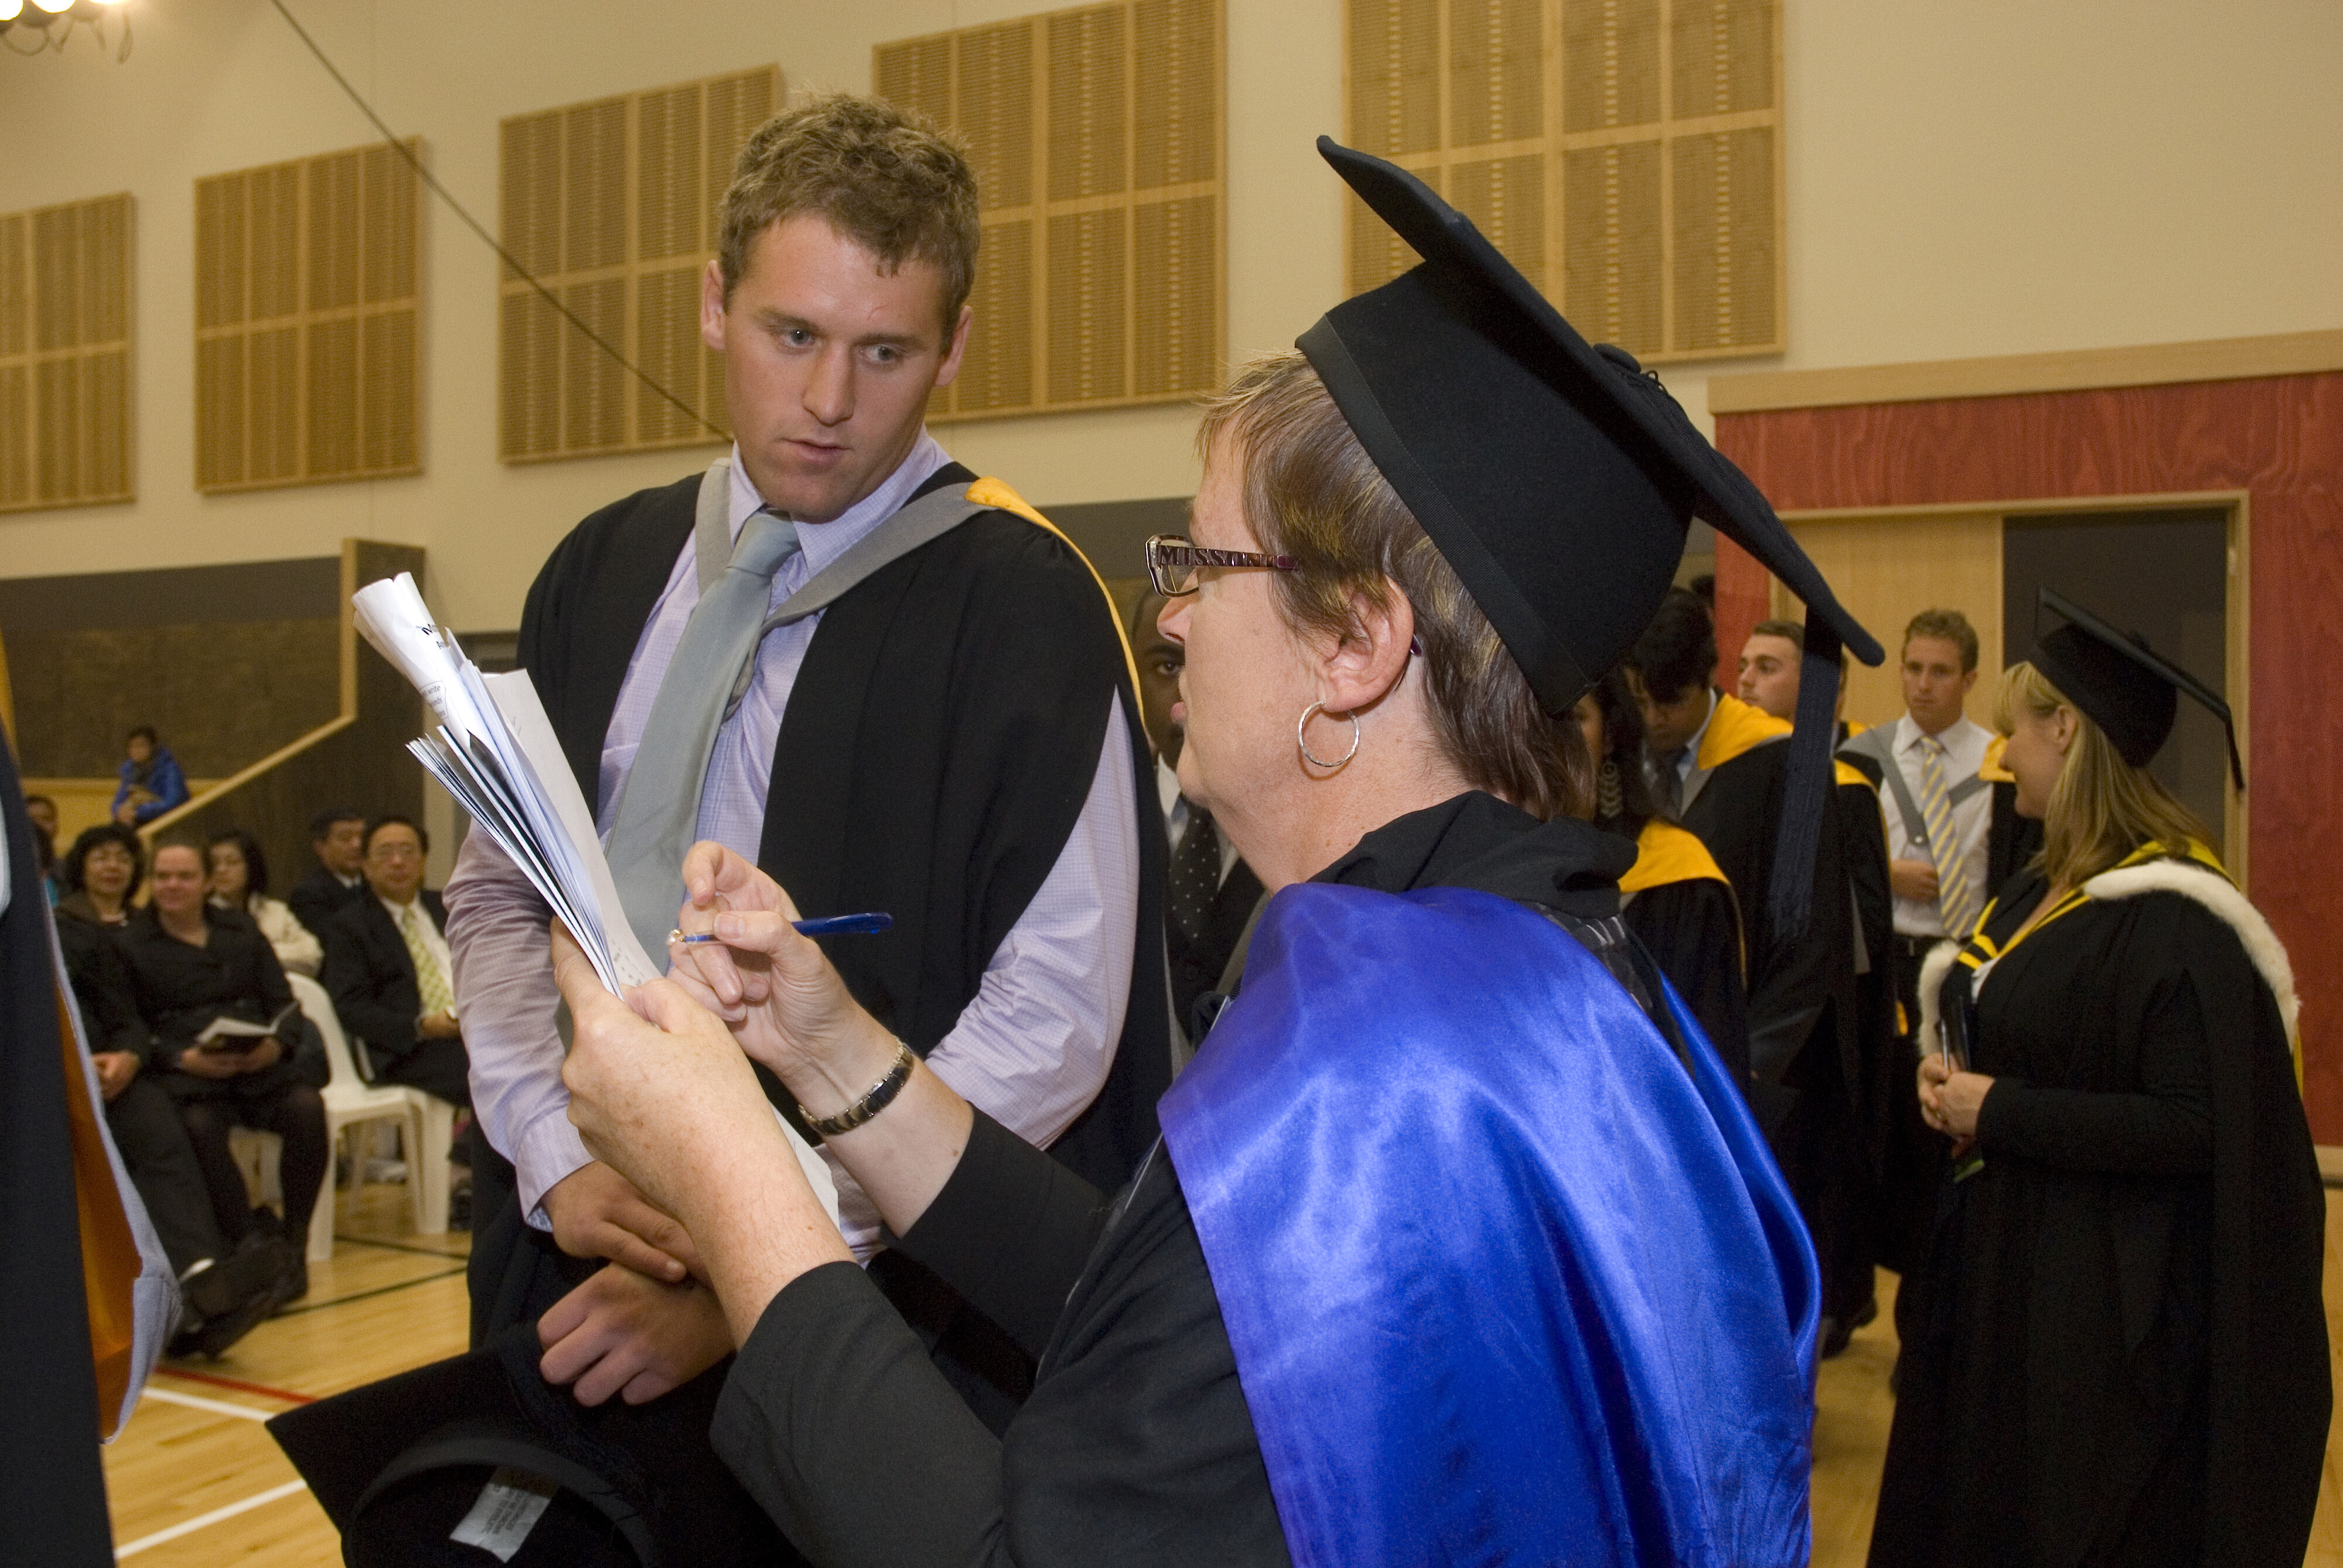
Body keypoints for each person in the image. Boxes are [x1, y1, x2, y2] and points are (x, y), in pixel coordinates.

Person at [544, 137, 1884, 1564]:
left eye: (1200, 563)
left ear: (1357, 644)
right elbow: (1171, 1325)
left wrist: (732, 1171)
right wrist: (835, 1056)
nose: (1168, 616)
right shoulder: (1487, 963)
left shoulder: (1384, 1064)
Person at [442, 93, 1169, 1434]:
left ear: (955, 348)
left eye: (885, 351)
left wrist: (760, 1254)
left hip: (869, 1315)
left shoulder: (1022, 604)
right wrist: (547, 1148)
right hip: (574, 1253)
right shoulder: (595, 573)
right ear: (713, 302)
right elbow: (499, 901)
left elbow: (1056, 1017)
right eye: (792, 336)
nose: (830, 402)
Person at [1871, 589, 2327, 1568]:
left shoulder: (2176, 921)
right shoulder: (2047, 877)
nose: (1998, 756)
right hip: (2017, 1262)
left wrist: (2003, 1107)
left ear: (2066, 730)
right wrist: (1952, 1083)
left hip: (2099, 1302)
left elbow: (2194, 1126)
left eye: (2012, 733)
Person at [1626, 590, 1880, 1351]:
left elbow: (1808, 955)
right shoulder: (1616, 762)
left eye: (1666, 700)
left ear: (1705, 677)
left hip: (1747, 1083)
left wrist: (1734, 1078)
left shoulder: (1789, 766)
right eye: (1638, 701)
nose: (1654, 719)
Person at [51, 826, 287, 1355]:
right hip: (52, 1082)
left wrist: (129, 1056)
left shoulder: (72, 937)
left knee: (162, 1127)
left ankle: (200, 1279)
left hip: (113, 1076)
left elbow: (125, 1018)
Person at [117, 839, 325, 1307]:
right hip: (189, 1075)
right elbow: (131, 1024)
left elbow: (285, 1001)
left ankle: (294, 1241)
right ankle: (249, 1241)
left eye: (185, 876)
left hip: (255, 1068)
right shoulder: (131, 943)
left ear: (207, 881)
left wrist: (275, 1044)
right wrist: (182, 1057)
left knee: (307, 1107)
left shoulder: (241, 929)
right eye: (163, 876)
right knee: (199, 1126)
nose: (172, 886)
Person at [1572, 666, 1747, 1068]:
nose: (1549, 742)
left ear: (1611, 736)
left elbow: (1709, 1065)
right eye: (1532, 720)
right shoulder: (1481, 870)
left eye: (1573, 718)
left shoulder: (1676, 881)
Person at [1132, 583, 1266, 1041]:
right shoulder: (1093, 830)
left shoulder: (1296, 829)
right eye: (1166, 665)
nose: (1185, 689)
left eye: (1210, 661)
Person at [320, 817, 470, 1108]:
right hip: (410, 1049)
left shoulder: (450, 907)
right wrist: (423, 1026)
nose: (398, 862)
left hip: (474, 1030)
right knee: (486, 1071)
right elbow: (352, 1007)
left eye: (408, 851)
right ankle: (466, 1152)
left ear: (424, 860)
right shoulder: (350, 926)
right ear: (365, 865)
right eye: (385, 853)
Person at [207, 829, 324, 978]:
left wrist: (260, 954)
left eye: (232, 862)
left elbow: (312, 954)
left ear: (251, 865)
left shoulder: (275, 910)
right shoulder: (202, 916)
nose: (221, 870)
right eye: (214, 863)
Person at [286, 806, 369, 937]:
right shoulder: (308, 896)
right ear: (321, 848)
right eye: (346, 838)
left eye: (363, 837)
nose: (357, 845)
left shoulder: (377, 882)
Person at [110, 725, 189, 827]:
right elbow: (118, 801)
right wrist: (119, 811)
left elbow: (172, 803)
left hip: (165, 822)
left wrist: (138, 812)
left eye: (141, 746)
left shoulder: (170, 769)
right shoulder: (129, 770)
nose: (136, 751)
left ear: (153, 747)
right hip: (135, 818)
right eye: (132, 747)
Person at [23, 792, 60, 905]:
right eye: (32, 819)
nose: (39, 825)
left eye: (46, 819)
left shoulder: (70, 870)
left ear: (57, 825)